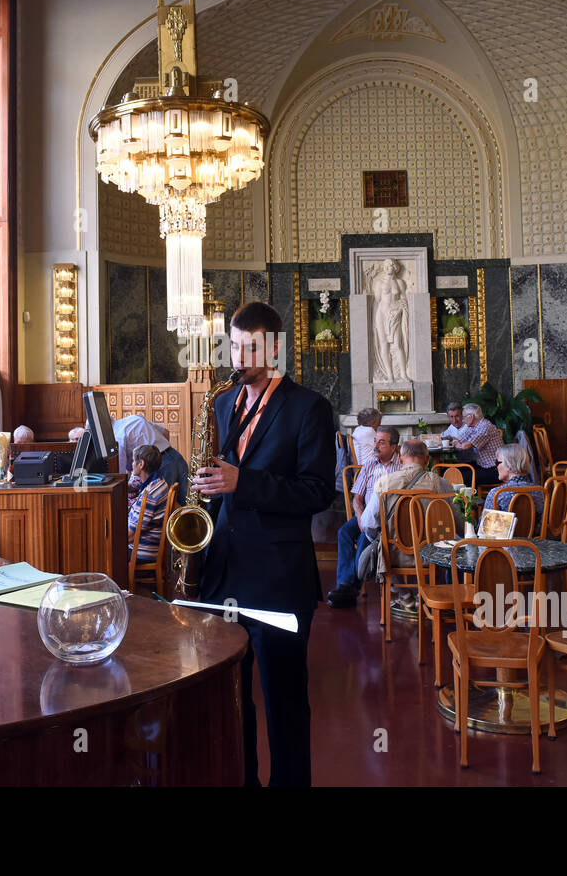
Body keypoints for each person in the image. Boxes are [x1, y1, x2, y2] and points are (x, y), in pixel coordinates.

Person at [191, 301, 335, 787]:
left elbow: (318, 493)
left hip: (278, 581)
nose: (238, 357)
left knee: (284, 703)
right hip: (223, 573)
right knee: (231, 700)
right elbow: (221, 481)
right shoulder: (222, 402)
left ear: (274, 348)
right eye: (233, 345)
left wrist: (242, 483)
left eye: (249, 347)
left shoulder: (309, 408)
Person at [355, 439, 452, 611]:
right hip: (430, 555)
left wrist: (382, 538)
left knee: (384, 544)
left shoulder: (384, 483)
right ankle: (428, 596)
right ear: (427, 459)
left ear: (400, 459)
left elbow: (367, 523)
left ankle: (404, 593)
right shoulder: (440, 483)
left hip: (393, 555)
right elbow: (454, 523)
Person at [328, 425, 401, 609]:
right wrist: (360, 517)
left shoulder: (400, 466)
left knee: (364, 537)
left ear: (394, 447)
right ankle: (346, 584)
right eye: (375, 440)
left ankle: (349, 588)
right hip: (366, 513)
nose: (376, 445)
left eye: (382, 442)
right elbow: (357, 499)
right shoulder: (369, 464)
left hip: (388, 517)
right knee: (344, 532)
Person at [113, 413, 189, 502]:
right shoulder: (133, 418)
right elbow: (166, 433)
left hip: (160, 466)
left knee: (163, 511)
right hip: (175, 456)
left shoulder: (116, 436)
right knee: (183, 507)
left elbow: (120, 478)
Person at [126, 444, 171, 566]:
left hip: (141, 553)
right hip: (149, 547)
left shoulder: (150, 494)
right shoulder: (159, 482)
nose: (131, 464)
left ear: (141, 464)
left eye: (133, 461)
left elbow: (130, 536)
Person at [482, 444, 544, 526]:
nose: (496, 466)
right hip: (535, 538)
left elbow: (484, 528)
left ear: (509, 466)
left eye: (497, 462)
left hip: (505, 539)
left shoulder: (497, 494)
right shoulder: (539, 491)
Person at [452, 402, 504, 485]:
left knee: (461, 477)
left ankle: (470, 497)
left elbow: (465, 446)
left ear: (471, 417)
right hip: (482, 465)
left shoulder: (485, 427)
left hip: (495, 470)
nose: (463, 420)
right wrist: (457, 442)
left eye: (464, 417)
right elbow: (457, 439)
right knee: (453, 471)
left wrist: (458, 444)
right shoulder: (474, 427)